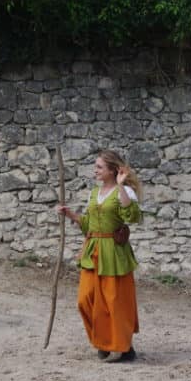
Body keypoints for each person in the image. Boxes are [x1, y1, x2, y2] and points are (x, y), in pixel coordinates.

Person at [58, 149, 143, 363]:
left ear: (113, 170)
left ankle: (124, 348)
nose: (95, 170)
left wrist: (122, 186)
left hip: (114, 252)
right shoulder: (94, 193)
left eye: (99, 167)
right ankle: (103, 341)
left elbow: (132, 216)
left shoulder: (124, 193)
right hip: (93, 251)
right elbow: (88, 224)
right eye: (95, 167)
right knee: (85, 300)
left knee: (115, 302)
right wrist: (70, 214)